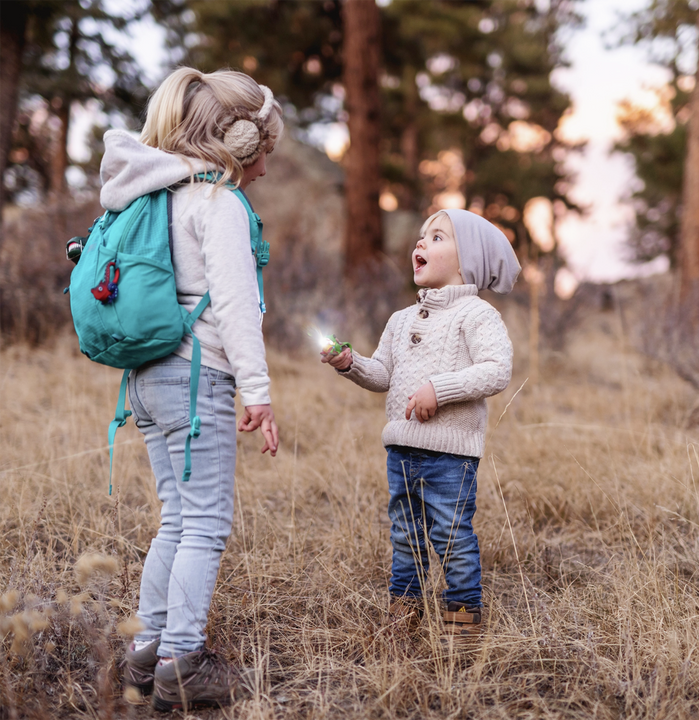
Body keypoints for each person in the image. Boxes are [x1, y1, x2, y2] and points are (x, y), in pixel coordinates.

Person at [105, 67, 281, 711]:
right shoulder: (220, 205)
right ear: (239, 142)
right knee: (205, 525)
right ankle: (184, 663)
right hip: (197, 379)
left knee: (175, 520)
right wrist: (256, 391)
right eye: (266, 148)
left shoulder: (159, 196)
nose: (268, 163)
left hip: (147, 380)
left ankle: (145, 655)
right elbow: (236, 306)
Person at [322, 209, 520, 636]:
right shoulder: (400, 320)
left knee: (451, 536)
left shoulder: (476, 315)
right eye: (420, 237)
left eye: (436, 237)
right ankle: (405, 611)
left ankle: (462, 617)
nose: (420, 244)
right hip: (401, 450)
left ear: (468, 260)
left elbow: (497, 370)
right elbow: (382, 375)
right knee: (405, 533)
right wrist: (350, 363)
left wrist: (439, 389)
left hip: (450, 454)